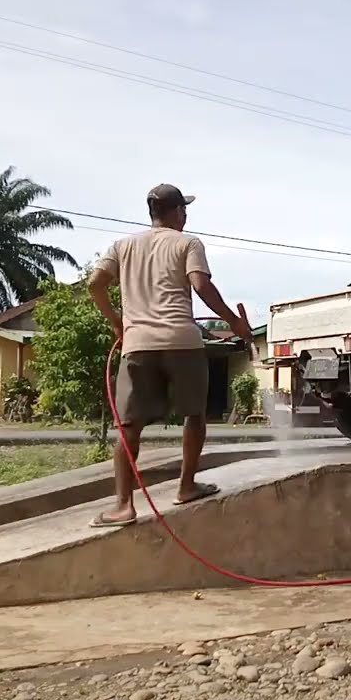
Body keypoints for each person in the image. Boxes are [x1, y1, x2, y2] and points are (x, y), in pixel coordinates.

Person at [86, 183, 254, 527]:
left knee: (129, 426)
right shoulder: (188, 242)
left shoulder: (122, 245)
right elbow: (201, 286)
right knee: (194, 415)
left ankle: (123, 506)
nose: (186, 215)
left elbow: (94, 283)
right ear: (177, 212)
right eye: (184, 209)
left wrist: (117, 324)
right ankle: (186, 486)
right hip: (182, 340)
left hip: (138, 344)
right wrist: (234, 322)